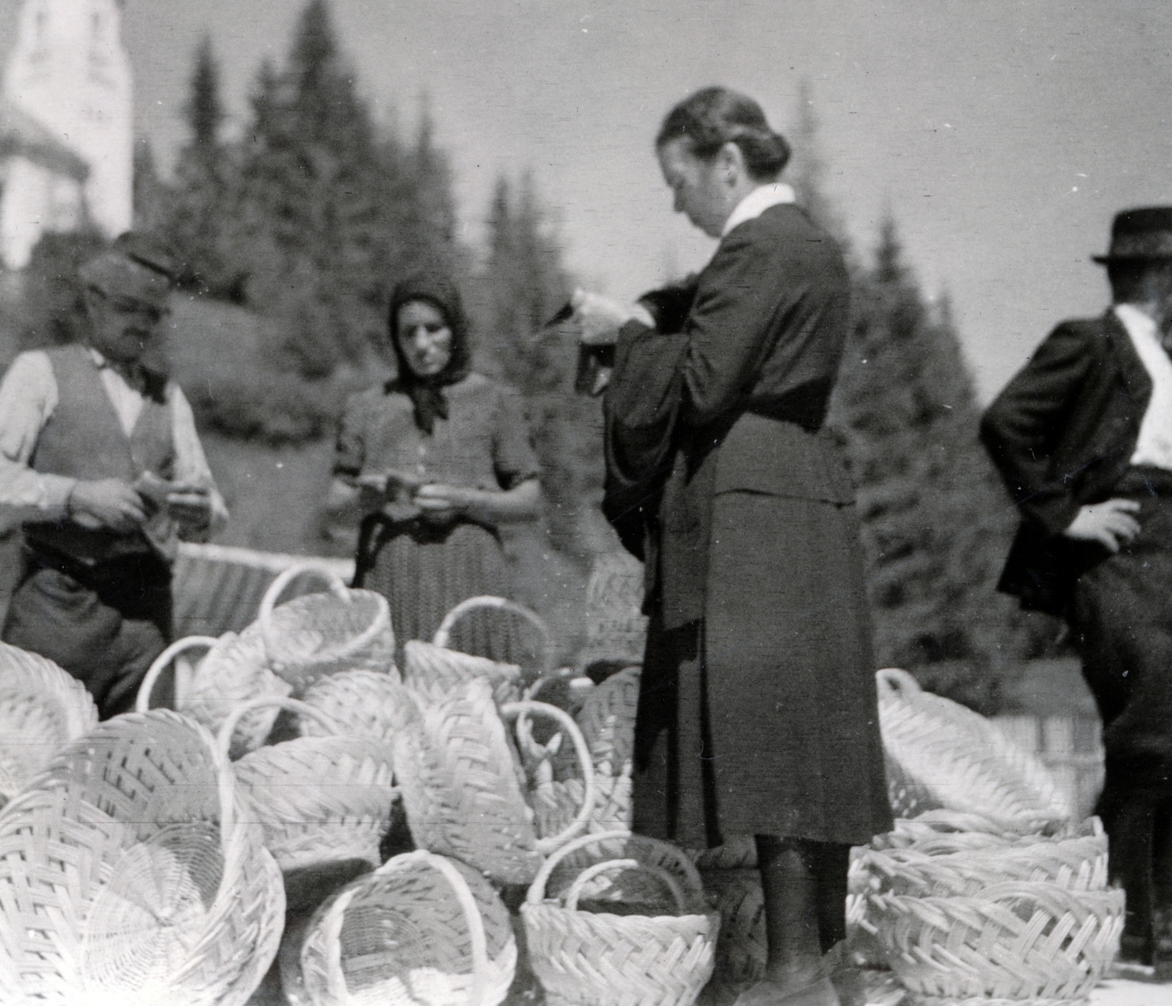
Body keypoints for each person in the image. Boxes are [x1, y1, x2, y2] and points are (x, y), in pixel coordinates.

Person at [574, 86, 890, 1006]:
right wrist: (663, 310)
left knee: (769, 739)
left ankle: (790, 975)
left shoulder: (757, 247)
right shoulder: (806, 246)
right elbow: (728, 339)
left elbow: (706, 379)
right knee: (809, 729)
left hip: (750, 504)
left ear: (726, 161)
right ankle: (820, 962)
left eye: (679, 180)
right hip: (802, 493)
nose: (676, 202)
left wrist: (625, 333)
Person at [980, 206, 1172, 969]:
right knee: (1154, 733)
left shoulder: (1165, 356)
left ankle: (1166, 930)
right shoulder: (1091, 340)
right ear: (1156, 276)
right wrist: (1065, 515)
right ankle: (1137, 931)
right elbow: (1006, 421)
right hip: (1123, 555)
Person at [0, 233, 227, 719]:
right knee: (34, 756)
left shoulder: (168, 398)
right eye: (131, 308)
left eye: (154, 314)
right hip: (57, 607)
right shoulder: (39, 373)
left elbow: (210, 503)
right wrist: (76, 496)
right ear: (94, 301)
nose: (143, 325)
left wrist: (200, 510)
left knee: (138, 764)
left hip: (144, 621)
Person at [326, 274, 542, 663]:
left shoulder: (493, 400)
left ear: (455, 328)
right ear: (395, 338)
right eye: (409, 333)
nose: (422, 344)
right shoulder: (367, 407)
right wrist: (367, 499)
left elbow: (529, 502)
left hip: (470, 581)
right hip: (390, 584)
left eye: (434, 329)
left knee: (469, 707)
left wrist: (463, 501)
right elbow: (333, 510)